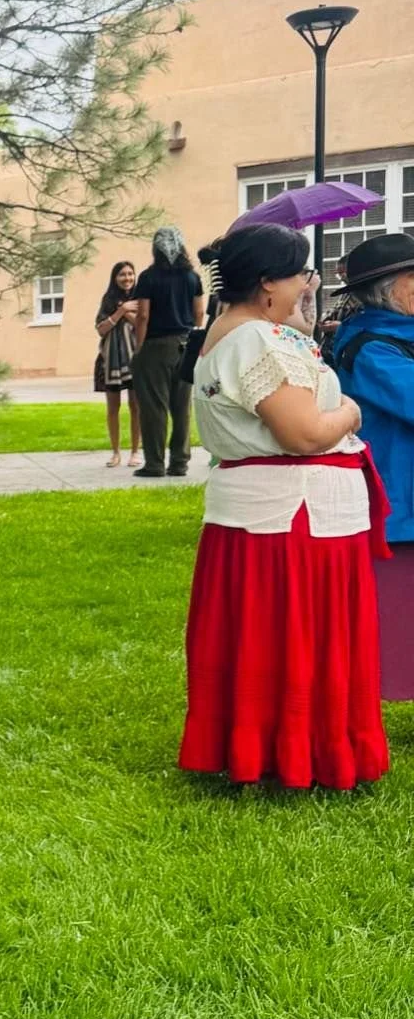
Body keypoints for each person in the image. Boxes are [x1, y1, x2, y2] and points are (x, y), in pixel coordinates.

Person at [178, 224, 387, 790]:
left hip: (277, 513)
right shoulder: (256, 341)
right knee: (296, 636)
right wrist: (349, 412)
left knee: (267, 638)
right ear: (267, 282)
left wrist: (290, 314)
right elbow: (305, 433)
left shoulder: (243, 330)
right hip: (295, 517)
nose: (308, 284)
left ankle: (266, 745)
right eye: (301, 274)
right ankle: (299, 750)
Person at [326, 232, 414, 702]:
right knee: (392, 627)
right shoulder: (369, 345)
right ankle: (356, 711)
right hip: (399, 507)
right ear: (388, 289)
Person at [130, 225, 205, 478]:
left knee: (154, 407)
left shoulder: (149, 277)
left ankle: (154, 463)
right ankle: (179, 462)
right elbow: (199, 314)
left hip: (155, 346)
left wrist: (139, 348)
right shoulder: (192, 277)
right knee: (182, 408)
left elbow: (142, 315)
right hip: (184, 344)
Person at [94, 261, 141, 467]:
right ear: (115, 278)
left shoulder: (141, 298)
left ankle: (135, 452)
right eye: (122, 274)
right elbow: (101, 329)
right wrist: (120, 311)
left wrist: (127, 311)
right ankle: (115, 452)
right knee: (113, 407)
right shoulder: (108, 300)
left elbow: (142, 323)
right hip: (110, 361)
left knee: (136, 406)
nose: (127, 278)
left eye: (131, 274)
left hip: (135, 359)